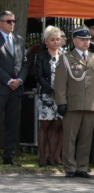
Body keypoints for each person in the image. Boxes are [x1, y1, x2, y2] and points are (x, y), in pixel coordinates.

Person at [0, 10, 27, 166]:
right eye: (8, 21)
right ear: (0, 23)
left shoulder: (19, 40)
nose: (12, 24)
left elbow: (25, 63)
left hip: (16, 89)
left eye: (14, 21)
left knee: (12, 122)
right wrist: (9, 80)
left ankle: (8, 155)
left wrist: (19, 80)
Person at [54, 27, 94, 178]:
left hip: (90, 104)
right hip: (72, 103)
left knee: (86, 137)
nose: (86, 42)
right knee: (70, 137)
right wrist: (61, 102)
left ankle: (82, 167)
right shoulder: (66, 58)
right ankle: (70, 167)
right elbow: (60, 83)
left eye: (88, 39)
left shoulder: (92, 57)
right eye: (83, 39)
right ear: (75, 40)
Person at [35, 26, 64, 167]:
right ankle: (42, 157)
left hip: (61, 96)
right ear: (46, 41)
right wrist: (50, 89)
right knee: (45, 125)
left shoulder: (64, 56)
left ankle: (52, 157)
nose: (56, 42)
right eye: (52, 40)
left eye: (58, 39)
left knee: (57, 126)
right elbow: (39, 76)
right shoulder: (40, 56)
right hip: (46, 95)